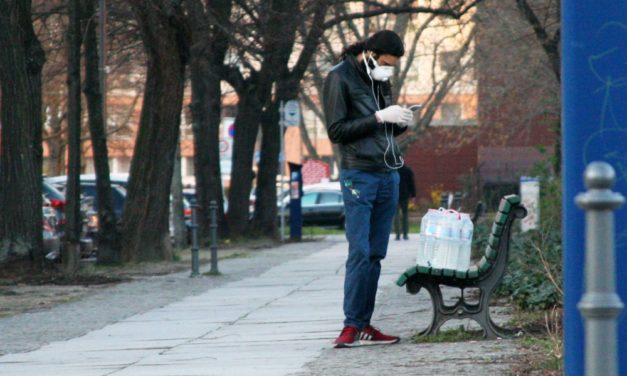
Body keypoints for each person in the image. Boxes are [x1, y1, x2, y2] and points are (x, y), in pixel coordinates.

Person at [322, 30, 413, 348]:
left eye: (394, 66)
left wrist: (400, 120)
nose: (390, 70)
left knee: (375, 254)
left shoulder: (379, 79)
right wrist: (377, 116)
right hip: (358, 174)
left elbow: (384, 128)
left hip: (388, 173)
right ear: (370, 53)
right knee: (359, 252)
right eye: (387, 63)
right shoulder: (339, 77)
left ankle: (364, 324)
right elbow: (336, 131)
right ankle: (350, 325)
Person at [394, 164, 416, 240]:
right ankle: (405, 234)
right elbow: (411, 183)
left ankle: (397, 234)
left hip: (395, 194)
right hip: (405, 195)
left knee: (396, 215)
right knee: (405, 214)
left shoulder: (394, 170)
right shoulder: (408, 170)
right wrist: (413, 195)